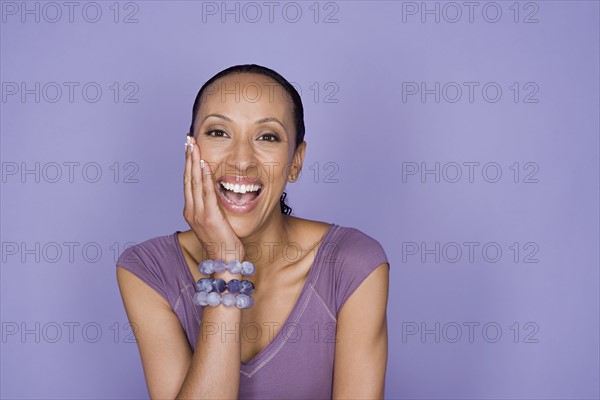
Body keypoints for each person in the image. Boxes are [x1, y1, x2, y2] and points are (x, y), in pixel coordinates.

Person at [115, 64, 390, 399]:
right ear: (191, 149)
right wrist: (226, 263)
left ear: (295, 163)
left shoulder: (353, 265)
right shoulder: (147, 270)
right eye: (218, 133)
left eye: (267, 137)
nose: (242, 160)